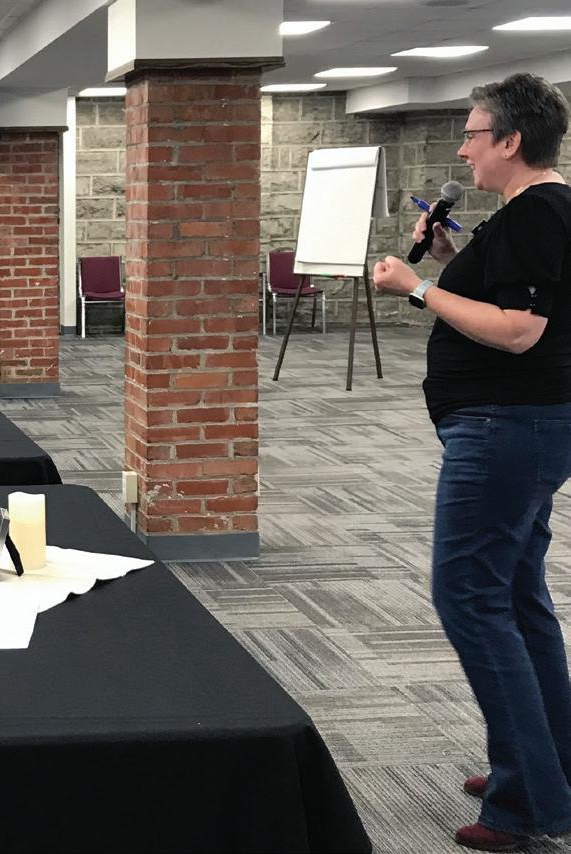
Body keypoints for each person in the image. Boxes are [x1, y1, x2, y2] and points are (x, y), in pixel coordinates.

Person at [372, 72, 571, 852]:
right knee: (516, 596)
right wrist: (451, 258)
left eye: (472, 135)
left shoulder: (535, 212)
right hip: (521, 427)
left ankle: (526, 800)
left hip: (504, 431)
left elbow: (520, 330)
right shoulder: (540, 212)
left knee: (469, 598)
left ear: (511, 141)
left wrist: (418, 286)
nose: (463, 151)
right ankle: (547, 764)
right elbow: (509, 303)